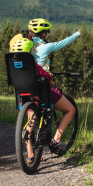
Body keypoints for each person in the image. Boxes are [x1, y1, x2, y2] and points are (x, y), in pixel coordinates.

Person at [24, 18, 81, 154]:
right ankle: (55, 140)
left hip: (27, 86)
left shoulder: (26, 47)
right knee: (70, 110)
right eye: (47, 33)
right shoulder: (44, 47)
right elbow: (61, 44)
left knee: (31, 122)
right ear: (43, 34)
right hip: (42, 86)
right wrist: (76, 35)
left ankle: (31, 155)